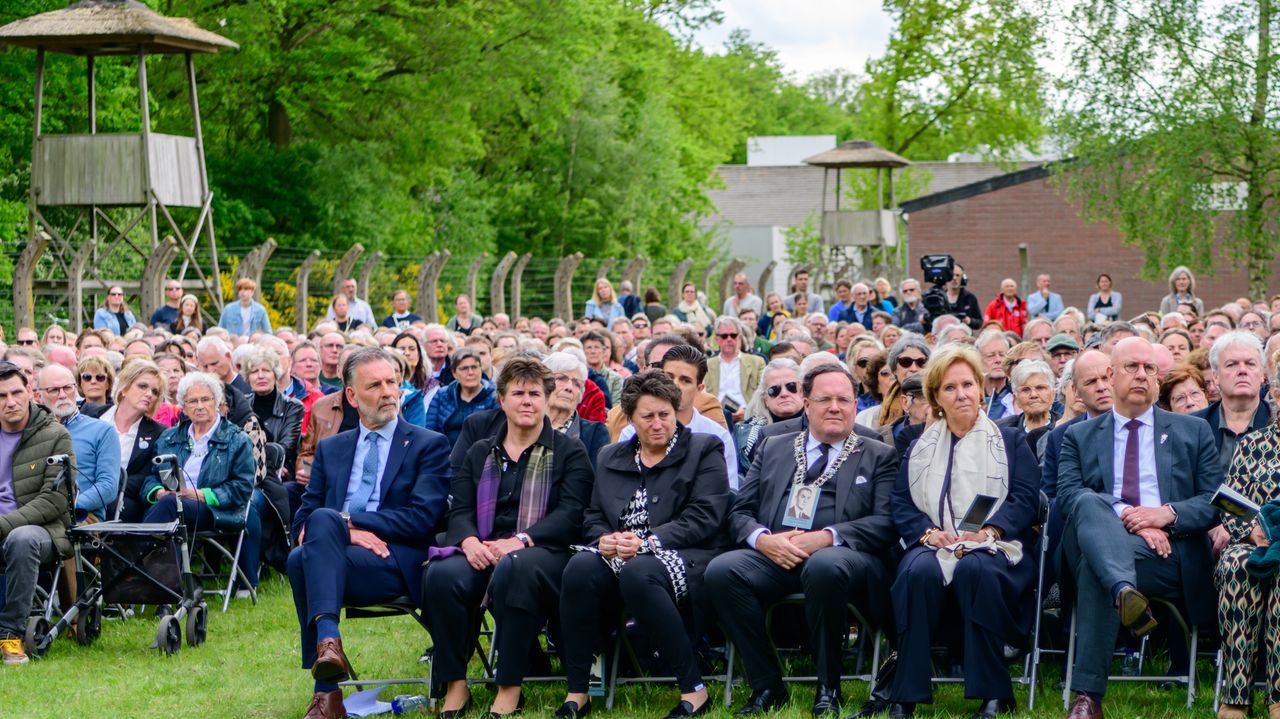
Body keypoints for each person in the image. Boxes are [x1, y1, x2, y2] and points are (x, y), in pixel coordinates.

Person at [708, 364, 900, 718]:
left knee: (824, 565)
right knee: (722, 571)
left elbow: (887, 523)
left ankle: (829, 687)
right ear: (807, 404)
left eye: (844, 399)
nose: (835, 407)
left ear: (855, 405)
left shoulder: (878, 454)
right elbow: (739, 512)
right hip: (776, 554)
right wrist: (763, 540)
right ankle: (767, 685)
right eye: (824, 399)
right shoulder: (773, 447)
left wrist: (827, 538)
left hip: (846, 558)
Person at [1057, 337, 1222, 719]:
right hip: (1108, 546)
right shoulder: (1079, 436)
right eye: (1132, 367)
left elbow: (1213, 504)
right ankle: (1123, 589)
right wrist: (1130, 518)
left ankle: (1087, 699)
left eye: (1150, 369)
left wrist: (1165, 514)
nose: (1142, 375)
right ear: (1111, 376)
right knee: (1087, 502)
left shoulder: (1192, 431)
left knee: (1095, 569)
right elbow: (1066, 496)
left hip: (1167, 555)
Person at [287, 348, 451, 719]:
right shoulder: (332, 449)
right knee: (305, 547)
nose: (388, 392)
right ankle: (329, 664)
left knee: (305, 556)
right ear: (351, 396)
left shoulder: (428, 444)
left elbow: (423, 519)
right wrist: (344, 531)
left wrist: (348, 525)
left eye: (392, 382)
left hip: (394, 562)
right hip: (337, 561)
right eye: (375, 385)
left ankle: (325, 687)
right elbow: (302, 521)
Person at [425, 358, 594, 718]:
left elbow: (572, 514)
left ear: (547, 400)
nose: (527, 401)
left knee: (515, 569)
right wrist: (468, 541)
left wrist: (520, 540)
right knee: (441, 575)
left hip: (545, 551)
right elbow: (459, 509)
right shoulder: (479, 451)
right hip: (483, 546)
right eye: (518, 393)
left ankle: (510, 688)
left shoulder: (569, 452)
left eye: (535, 393)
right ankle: (456, 684)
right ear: (501, 399)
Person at [557, 370, 730, 719]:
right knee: (578, 570)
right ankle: (579, 690)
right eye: (646, 416)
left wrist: (648, 542)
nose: (657, 424)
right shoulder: (610, 456)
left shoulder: (704, 449)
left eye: (664, 414)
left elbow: (705, 516)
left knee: (639, 573)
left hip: (686, 552)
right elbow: (592, 515)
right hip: (620, 552)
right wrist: (603, 538)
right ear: (631, 419)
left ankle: (693, 689)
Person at [885, 345, 1039, 719]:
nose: (962, 394)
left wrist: (989, 528)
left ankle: (994, 694)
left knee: (975, 568)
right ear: (936, 396)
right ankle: (905, 693)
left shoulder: (1008, 439)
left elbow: (1024, 497)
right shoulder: (920, 445)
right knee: (917, 571)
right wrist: (927, 532)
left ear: (980, 388)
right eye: (950, 388)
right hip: (936, 542)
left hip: (995, 544)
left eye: (968, 384)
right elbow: (901, 501)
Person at [1212, 382, 1280, 719]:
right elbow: (1231, 503)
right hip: (1253, 538)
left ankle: (1278, 695)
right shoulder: (1253, 444)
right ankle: (1235, 695)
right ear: (1276, 395)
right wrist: (1253, 531)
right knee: (1239, 565)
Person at [0, 360, 75, 666]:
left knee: (20, 539)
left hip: (43, 530)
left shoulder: (55, 434)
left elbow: (55, 500)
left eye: (16, 392)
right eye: (2, 396)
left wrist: (4, 524)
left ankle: (10, 636)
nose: (10, 402)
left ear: (31, 391)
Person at [618, 344, 740, 490]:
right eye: (669, 377)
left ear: (699, 388)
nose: (675, 385)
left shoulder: (717, 436)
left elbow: (727, 493)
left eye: (685, 380)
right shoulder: (632, 433)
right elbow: (621, 489)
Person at [37, 364, 119, 523]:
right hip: (37, 515)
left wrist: (70, 506)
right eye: (53, 390)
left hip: (82, 516)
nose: (62, 395)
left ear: (76, 389)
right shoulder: (32, 431)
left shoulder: (102, 430)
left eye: (67, 388)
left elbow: (108, 486)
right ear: (39, 395)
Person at [1191, 331, 1270, 476]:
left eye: (1250, 364)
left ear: (1262, 375)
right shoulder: (1193, 426)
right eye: (1231, 364)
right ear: (1215, 376)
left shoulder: (1276, 422)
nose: (1242, 371)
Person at [731, 358, 804, 473]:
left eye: (791, 386)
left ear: (802, 391)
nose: (784, 394)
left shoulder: (819, 427)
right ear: (765, 399)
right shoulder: (749, 435)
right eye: (774, 390)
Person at [543, 351, 610, 469]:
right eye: (561, 378)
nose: (569, 388)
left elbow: (596, 480)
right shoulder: (527, 424)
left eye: (576, 384)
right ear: (542, 384)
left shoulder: (595, 432)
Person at [423, 348, 497, 445]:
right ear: (454, 373)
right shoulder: (442, 395)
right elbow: (430, 430)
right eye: (464, 368)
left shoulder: (493, 396)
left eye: (474, 367)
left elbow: (496, 433)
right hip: (445, 453)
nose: (470, 373)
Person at [996, 358, 1059, 458]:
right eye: (1025, 390)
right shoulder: (1001, 430)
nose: (1033, 395)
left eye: (1040, 388)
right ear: (1016, 398)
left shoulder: (1065, 428)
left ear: (1053, 394)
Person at [941, 264, 983, 330]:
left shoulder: (970, 298)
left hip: (964, 337)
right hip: (943, 337)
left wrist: (969, 321)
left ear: (963, 279)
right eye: (952, 275)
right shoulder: (939, 298)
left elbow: (979, 322)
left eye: (957, 275)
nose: (954, 278)